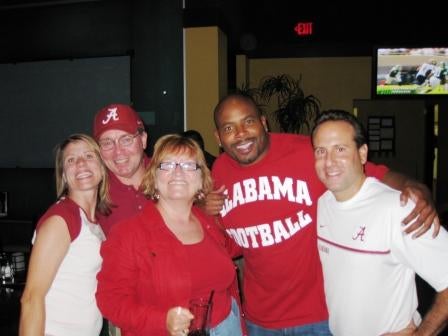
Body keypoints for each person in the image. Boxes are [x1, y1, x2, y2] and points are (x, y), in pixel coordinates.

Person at [206, 93, 440, 335]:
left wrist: (416, 188)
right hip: (260, 320)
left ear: (264, 123)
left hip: (319, 317)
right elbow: (232, 245)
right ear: (219, 137)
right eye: (229, 127)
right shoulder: (220, 171)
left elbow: (370, 172)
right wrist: (206, 214)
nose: (241, 133)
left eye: (249, 121)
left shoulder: (306, 152)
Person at [312, 109, 448, 336]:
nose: (329, 161)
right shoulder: (323, 204)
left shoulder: (398, 208)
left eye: (340, 149)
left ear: (363, 153)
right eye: (321, 151)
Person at [95, 134, 244, 336]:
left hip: (229, 325)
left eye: (189, 166)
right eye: (167, 165)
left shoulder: (210, 223)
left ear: (202, 180)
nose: (178, 173)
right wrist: (162, 320)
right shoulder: (128, 234)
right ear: (153, 177)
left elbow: (242, 245)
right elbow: (111, 301)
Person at [19, 134, 110, 336]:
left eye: (88, 156)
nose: (80, 163)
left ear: (102, 169)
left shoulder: (93, 221)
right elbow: (32, 298)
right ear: (64, 175)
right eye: (71, 160)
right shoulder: (61, 219)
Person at [92, 103, 151, 236]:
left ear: (143, 140)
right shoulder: (94, 192)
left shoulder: (170, 174)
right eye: (107, 143)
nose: (118, 151)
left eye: (126, 140)